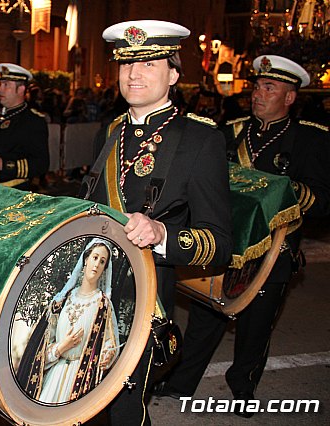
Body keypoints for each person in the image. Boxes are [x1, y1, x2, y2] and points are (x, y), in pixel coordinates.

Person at [156, 55, 330, 418]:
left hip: (272, 252)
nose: (257, 94)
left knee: (256, 324)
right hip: (225, 246)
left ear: (290, 97)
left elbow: (322, 200)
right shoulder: (230, 131)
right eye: (256, 86)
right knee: (206, 316)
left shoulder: (309, 140)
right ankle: (181, 382)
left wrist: (278, 192)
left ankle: (243, 388)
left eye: (269, 88)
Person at [91, 20, 233, 425]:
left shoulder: (200, 140)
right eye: (126, 64)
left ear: (173, 75)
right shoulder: (112, 130)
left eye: (149, 64)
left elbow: (220, 242)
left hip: (145, 292)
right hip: (92, 283)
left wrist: (162, 234)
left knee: (124, 404)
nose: (133, 74)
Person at [17, 238, 120, 403]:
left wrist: (107, 356)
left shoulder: (102, 305)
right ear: (86, 259)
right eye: (94, 258)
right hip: (54, 376)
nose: (97, 265)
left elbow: (109, 343)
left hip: (80, 377)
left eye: (102, 262)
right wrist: (62, 346)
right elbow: (41, 348)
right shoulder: (62, 301)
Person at [0, 63, 49, 191]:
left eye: (6, 85)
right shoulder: (0, 115)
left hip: (13, 192)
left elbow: (41, 164)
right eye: (0, 84)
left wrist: (4, 165)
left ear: (20, 89)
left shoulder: (33, 121)